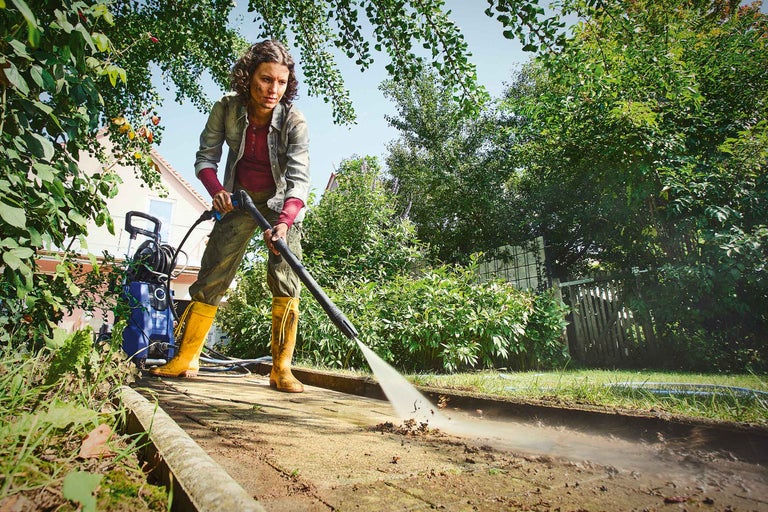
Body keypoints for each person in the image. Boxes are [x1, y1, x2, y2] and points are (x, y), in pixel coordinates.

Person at [150, 40, 310, 393]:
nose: (273, 90)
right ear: (248, 77)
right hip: (236, 201)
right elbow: (205, 159)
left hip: (281, 204)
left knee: (286, 278)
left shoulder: (294, 121)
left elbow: (299, 179)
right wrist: (216, 192)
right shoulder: (225, 109)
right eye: (266, 80)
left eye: (281, 83)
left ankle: (281, 368)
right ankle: (186, 357)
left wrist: (284, 222)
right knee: (212, 274)